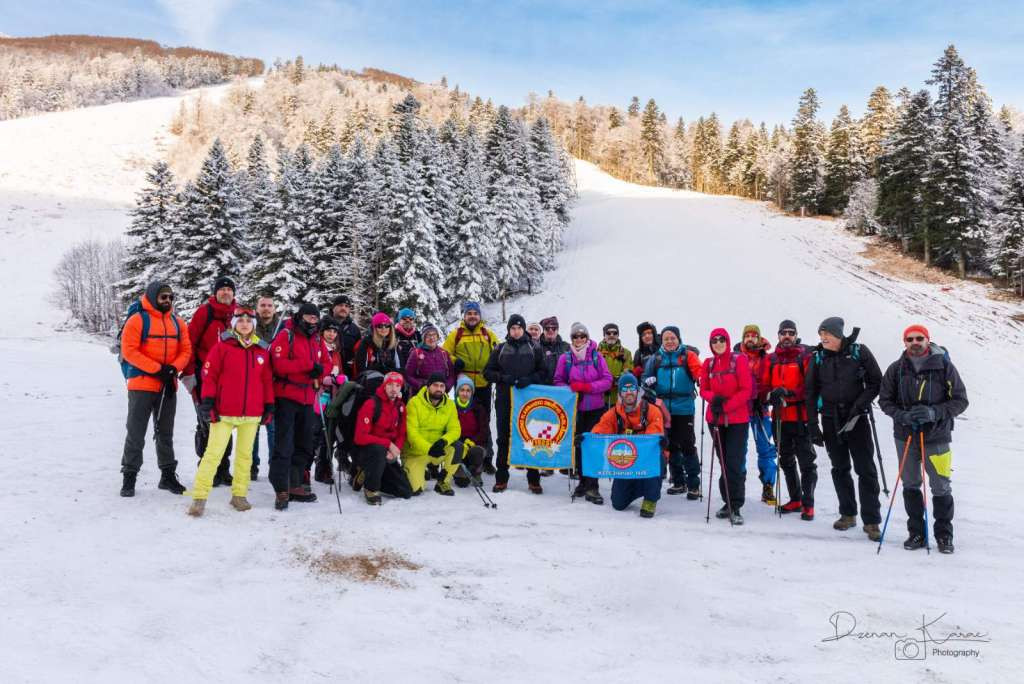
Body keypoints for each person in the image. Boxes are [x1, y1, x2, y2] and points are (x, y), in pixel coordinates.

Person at [878, 324, 967, 554]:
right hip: (905, 436)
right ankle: (916, 533)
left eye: (919, 338)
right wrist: (903, 416)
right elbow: (884, 400)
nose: (915, 342)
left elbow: (960, 400)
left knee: (940, 486)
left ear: (928, 340)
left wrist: (934, 413)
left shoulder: (944, 367)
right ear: (904, 342)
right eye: (910, 339)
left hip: (937, 436)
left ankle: (944, 536)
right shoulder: (896, 369)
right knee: (910, 484)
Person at [189, 307, 274, 516]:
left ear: (253, 325)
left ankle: (239, 495)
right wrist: (208, 401)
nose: (245, 324)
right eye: (240, 320)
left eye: (248, 321)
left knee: (245, 456)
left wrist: (269, 404)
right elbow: (210, 376)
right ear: (234, 324)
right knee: (213, 454)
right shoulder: (222, 347)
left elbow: (266, 381)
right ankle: (199, 497)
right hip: (224, 411)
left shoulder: (261, 351)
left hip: (251, 413)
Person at [805, 317, 884, 538]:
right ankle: (847, 514)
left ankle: (871, 521)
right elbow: (810, 392)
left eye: (827, 334)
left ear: (838, 335)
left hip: (856, 419)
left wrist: (860, 405)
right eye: (821, 335)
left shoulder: (859, 352)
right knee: (839, 468)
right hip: (830, 419)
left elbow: (876, 382)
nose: (823, 338)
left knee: (865, 469)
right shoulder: (818, 357)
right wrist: (813, 425)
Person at [118, 281, 192, 497]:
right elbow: (129, 350)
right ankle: (129, 476)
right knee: (136, 432)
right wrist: (158, 369)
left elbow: (186, 350)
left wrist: (173, 369)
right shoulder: (137, 320)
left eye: (170, 297)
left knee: (165, 433)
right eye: (163, 297)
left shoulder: (178, 322)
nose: (167, 301)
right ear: (152, 297)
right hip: (141, 384)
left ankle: (167, 476)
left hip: (167, 385)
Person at [269, 303, 331, 510]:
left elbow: (327, 363)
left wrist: (319, 371)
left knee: (304, 443)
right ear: (300, 316)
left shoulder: (317, 339)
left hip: (308, 397)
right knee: (284, 444)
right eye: (309, 317)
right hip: (286, 396)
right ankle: (281, 488)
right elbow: (279, 364)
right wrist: (307, 367)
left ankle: (294, 483)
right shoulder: (287, 335)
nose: (312, 321)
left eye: (315, 318)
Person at [483, 314, 546, 493]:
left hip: (528, 400)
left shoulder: (534, 347)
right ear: (509, 330)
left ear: (523, 329)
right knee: (503, 438)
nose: (516, 331)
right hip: (505, 398)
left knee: (530, 436)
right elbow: (487, 372)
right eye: (513, 328)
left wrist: (530, 379)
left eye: (519, 328)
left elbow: (544, 372)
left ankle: (534, 479)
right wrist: (502, 378)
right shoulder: (500, 348)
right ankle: (501, 478)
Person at [185, 276, 237, 486]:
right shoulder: (204, 313)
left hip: (228, 380)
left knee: (226, 423)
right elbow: (189, 343)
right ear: (215, 293)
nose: (225, 292)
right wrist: (189, 375)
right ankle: (207, 468)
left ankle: (223, 468)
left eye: (229, 290)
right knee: (206, 422)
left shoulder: (236, 316)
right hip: (203, 377)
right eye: (222, 289)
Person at [762, 320, 817, 520]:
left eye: (791, 333)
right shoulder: (771, 359)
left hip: (801, 417)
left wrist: (789, 392)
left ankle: (808, 503)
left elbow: (810, 386)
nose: (787, 336)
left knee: (807, 462)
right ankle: (795, 499)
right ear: (778, 335)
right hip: (779, 418)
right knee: (785, 460)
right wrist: (770, 395)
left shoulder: (804, 357)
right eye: (783, 332)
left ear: (796, 335)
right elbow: (764, 386)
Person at [554, 322, 614, 504]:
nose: (579, 339)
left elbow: (608, 380)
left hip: (595, 409)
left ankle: (593, 485)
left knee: (593, 446)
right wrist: (571, 389)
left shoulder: (596, 356)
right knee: (578, 445)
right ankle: (582, 481)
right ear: (571, 338)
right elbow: (558, 380)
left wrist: (587, 387)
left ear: (587, 338)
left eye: (582, 336)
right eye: (575, 336)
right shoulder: (565, 358)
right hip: (575, 409)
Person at [641, 325, 703, 498]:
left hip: (684, 407)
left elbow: (699, 371)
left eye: (673, 338)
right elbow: (644, 379)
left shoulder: (687, 356)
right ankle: (678, 481)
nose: (669, 341)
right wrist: (648, 382)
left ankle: (694, 484)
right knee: (671, 445)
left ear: (678, 339)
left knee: (687, 444)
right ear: (661, 341)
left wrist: (702, 379)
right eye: (666, 339)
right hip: (663, 408)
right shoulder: (656, 358)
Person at [593, 372, 666, 518]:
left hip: (646, 458)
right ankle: (640, 486)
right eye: (624, 389)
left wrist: (659, 441)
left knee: (657, 457)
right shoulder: (614, 413)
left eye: (632, 388)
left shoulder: (652, 410)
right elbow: (600, 431)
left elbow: (653, 437)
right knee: (618, 503)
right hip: (626, 461)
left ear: (637, 390)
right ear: (620, 393)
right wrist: (585, 439)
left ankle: (650, 498)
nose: (629, 393)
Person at [701, 328, 752, 525]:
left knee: (734, 462)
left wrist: (725, 406)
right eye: (714, 340)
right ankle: (727, 502)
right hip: (715, 419)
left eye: (721, 339)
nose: (718, 343)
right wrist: (714, 399)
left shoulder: (739, 360)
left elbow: (746, 390)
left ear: (728, 341)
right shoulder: (708, 363)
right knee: (723, 461)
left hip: (737, 420)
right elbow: (703, 389)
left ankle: (735, 505)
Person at [443, 301, 499, 472]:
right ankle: (461, 456)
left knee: (484, 421)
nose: (472, 316)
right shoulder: (456, 334)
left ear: (479, 316)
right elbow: (444, 353)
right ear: (464, 316)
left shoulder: (488, 334)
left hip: (483, 383)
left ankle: (486, 457)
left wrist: (492, 370)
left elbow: (498, 353)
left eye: (475, 313)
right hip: (464, 384)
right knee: (462, 420)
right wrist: (455, 361)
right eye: (469, 313)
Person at [352, 371, 414, 505]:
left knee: (406, 491)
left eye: (397, 385)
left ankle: (367, 473)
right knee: (379, 450)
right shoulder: (371, 404)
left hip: (386, 454)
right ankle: (371, 489)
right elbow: (359, 437)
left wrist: (396, 449)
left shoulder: (400, 407)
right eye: (390, 385)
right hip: (366, 451)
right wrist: (388, 444)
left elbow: (402, 433)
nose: (393, 389)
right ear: (384, 386)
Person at [403, 371, 467, 496]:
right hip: (415, 452)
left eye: (442, 386)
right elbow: (412, 434)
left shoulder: (450, 405)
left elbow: (455, 429)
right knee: (415, 489)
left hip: (437, 448)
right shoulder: (414, 403)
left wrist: (443, 441)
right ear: (428, 387)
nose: (439, 389)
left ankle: (443, 481)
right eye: (435, 385)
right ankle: (413, 471)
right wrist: (429, 448)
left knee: (458, 447)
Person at [735, 324, 778, 504]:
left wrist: (767, 397)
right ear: (743, 338)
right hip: (741, 410)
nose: (750, 338)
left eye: (754, 335)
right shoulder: (736, 358)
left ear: (759, 338)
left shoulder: (767, 359)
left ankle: (768, 486)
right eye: (747, 335)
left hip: (761, 409)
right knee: (739, 449)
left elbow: (773, 381)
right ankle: (739, 485)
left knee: (765, 449)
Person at [251, 294, 281, 481]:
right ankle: (251, 466)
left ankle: (274, 466)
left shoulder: (282, 328)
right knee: (252, 427)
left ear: (274, 309)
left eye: (270, 305)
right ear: (257, 308)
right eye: (263, 305)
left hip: (275, 383)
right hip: (254, 382)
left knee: (273, 428)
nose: (266, 308)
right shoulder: (249, 325)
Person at [313, 317, 345, 485]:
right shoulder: (317, 347)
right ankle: (309, 468)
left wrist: (341, 379)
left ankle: (324, 469)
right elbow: (313, 369)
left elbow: (339, 370)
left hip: (333, 396)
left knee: (329, 433)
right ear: (322, 332)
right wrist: (323, 379)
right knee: (317, 433)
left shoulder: (336, 351)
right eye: (328, 331)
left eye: (334, 331)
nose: (331, 334)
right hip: (318, 395)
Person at [452, 375, 491, 487]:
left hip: (475, 443)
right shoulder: (451, 407)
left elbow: (484, 431)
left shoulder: (478, 408)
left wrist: (472, 441)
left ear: (472, 392)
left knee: (476, 452)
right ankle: (459, 470)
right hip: (458, 444)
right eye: (462, 390)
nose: (465, 393)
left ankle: (476, 472)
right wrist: (459, 442)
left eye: (468, 390)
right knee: (462, 482)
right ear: (458, 391)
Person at [404, 322, 454, 395]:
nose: (431, 338)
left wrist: (447, 386)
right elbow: (408, 375)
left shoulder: (444, 353)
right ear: (423, 338)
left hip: (440, 393)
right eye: (428, 335)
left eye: (434, 334)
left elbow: (452, 374)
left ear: (437, 336)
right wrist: (421, 385)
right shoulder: (416, 353)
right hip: (421, 395)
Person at [352, 312, 400, 379]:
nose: (384, 328)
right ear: (374, 328)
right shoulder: (366, 343)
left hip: (392, 380)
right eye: (380, 326)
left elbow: (400, 367)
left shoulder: (393, 344)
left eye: (387, 325)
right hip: (371, 380)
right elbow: (361, 370)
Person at [597, 322, 634, 407]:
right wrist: (605, 381)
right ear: (604, 335)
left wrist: (616, 380)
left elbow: (628, 371)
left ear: (618, 335)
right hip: (600, 397)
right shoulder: (596, 353)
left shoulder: (626, 353)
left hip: (619, 397)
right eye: (608, 333)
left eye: (615, 333)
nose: (612, 335)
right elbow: (593, 372)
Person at [330, 295, 362, 378]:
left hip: (349, 374)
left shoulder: (354, 329)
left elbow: (359, 351)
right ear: (333, 308)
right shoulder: (323, 325)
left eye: (347, 306)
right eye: (340, 305)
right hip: (328, 373)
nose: (343, 308)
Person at [537, 316, 569, 385]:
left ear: (557, 330)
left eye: (554, 328)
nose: (550, 330)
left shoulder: (567, 347)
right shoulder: (536, 347)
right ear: (543, 330)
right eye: (547, 328)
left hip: (562, 388)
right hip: (542, 388)